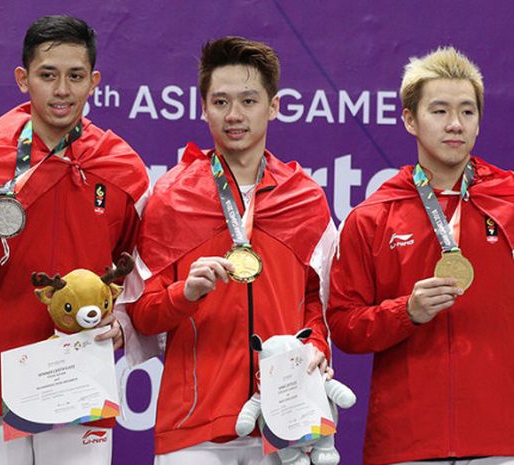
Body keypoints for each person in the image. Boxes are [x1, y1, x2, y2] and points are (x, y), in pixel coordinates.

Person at [124, 36, 336, 465]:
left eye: (249, 101)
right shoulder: (170, 197)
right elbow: (142, 314)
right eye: (220, 102)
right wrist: (185, 292)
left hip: (286, 421)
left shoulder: (305, 198)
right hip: (194, 428)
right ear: (203, 108)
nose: (234, 115)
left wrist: (317, 346)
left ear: (273, 106)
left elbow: (318, 302)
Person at [0, 15, 149, 465]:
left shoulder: (122, 168)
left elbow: (140, 274)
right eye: (47, 75)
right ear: (23, 79)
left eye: (75, 76)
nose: (62, 90)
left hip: (82, 387)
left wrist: (124, 322)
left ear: (94, 81)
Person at [327, 47, 514, 465]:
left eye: (467, 112)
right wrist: (405, 312)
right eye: (440, 110)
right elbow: (342, 325)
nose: (455, 124)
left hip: (502, 441)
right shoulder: (372, 216)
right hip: (405, 445)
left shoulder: (510, 203)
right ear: (410, 119)